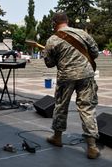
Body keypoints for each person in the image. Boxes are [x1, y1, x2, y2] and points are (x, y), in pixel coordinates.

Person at [43, 12, 100, 159]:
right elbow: (95, 53)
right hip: (86, 75)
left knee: (61, 106)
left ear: (54, 23)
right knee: (87, 108)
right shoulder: (82, 33)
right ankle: (92, 147)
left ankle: (57, 137)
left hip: (66, 76)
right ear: (67, 21)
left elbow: (49, 63)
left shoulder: (52, 40)